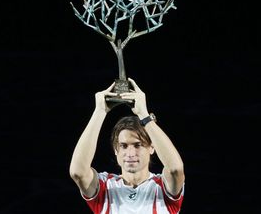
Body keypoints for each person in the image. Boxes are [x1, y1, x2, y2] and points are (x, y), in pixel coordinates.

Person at [69, 78, 185, 214]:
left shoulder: (163, 187)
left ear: (152, 147)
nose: (130, 153)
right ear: (115, 149)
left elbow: (175, 169)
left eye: (138, 145)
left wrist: (144, 115)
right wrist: (99, 111)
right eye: (123, 146)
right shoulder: (105, 187)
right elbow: (78, 172)